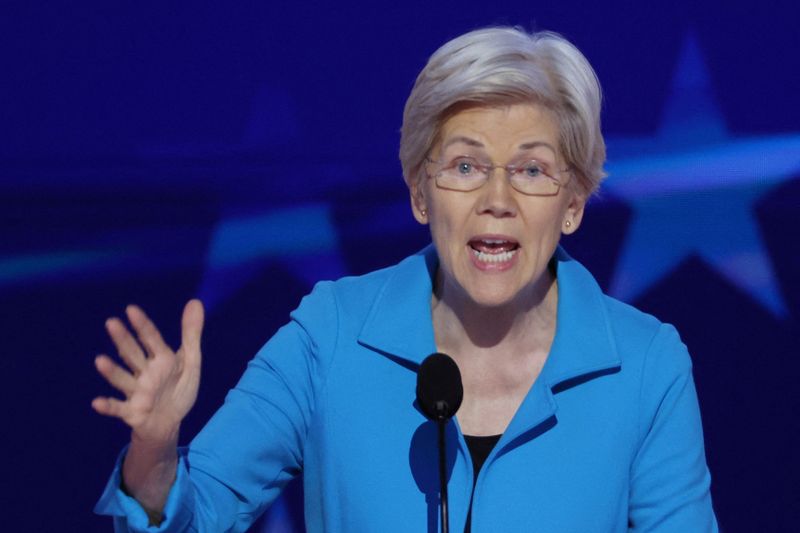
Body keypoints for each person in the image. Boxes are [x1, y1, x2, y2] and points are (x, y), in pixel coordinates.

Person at [93, 26, 718, 532]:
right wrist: (155, 450)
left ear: (574, 202)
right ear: (421, 192)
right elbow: (192, 518)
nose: (496, 198)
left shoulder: (646, 367)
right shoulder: (330, 334)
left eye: (531, 170)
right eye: (465, 165)